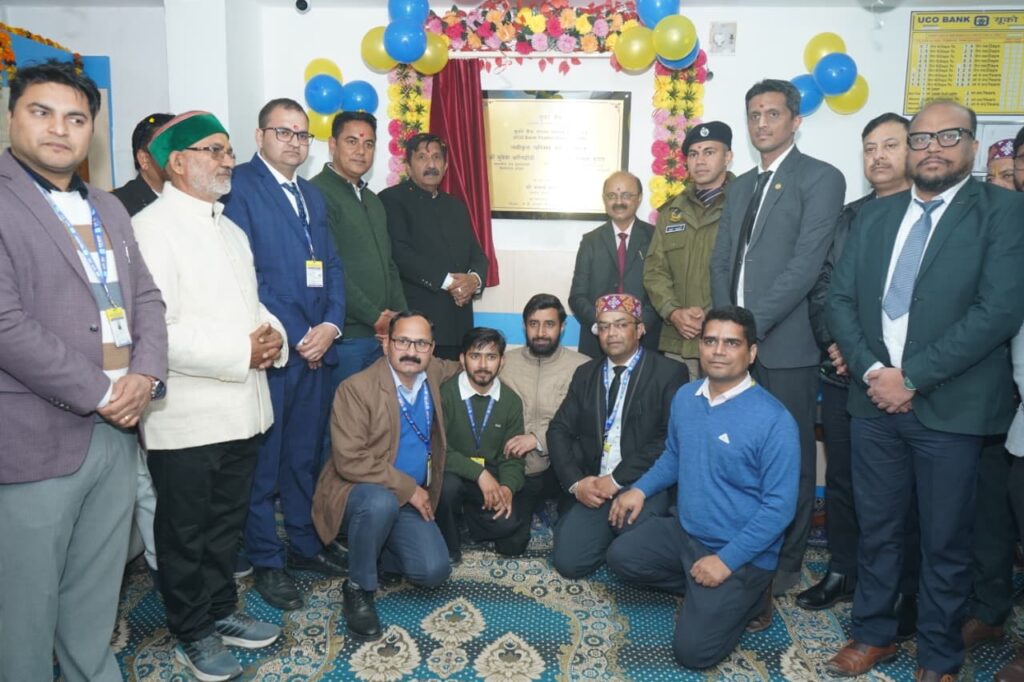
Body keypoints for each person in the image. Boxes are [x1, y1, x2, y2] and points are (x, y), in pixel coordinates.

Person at [825, 100, 1024, 681]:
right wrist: (872, 371)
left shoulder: (1003, 212)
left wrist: (910, 378)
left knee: (945, 540)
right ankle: (873, 633)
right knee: (878, 529)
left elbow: (997, 311)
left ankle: (939, 654)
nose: (932, 147)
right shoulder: (877, 216)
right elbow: (840, 299)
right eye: (921, 138)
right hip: (872, 402)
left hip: (951, 408)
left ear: (973, 145)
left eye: (948, 136)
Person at [0, 60, 168, 682]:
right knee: (25, 604)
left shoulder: (108, 207)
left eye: (75, 119)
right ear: (11, 117)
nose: (58, 129)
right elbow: (6, 324)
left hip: (118, 430)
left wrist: (145, 376)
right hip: (35, 433)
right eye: (41, 113)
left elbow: (146, 298)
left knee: (96, 589)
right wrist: (102, 391)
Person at [134, 110, 288, 680]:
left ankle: (222, 609)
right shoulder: (151, 229)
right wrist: (240, 351)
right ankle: (192, 629)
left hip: (242, 411)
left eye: (228, 150)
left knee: (226, 524)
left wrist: (275, 336)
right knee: (184, 531)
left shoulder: (230, 229)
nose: (228, 161)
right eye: (214, 150)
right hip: (187, 416)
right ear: (178, 162)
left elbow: (251, 306)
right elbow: (157, 332)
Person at [709, 79, 845, 594]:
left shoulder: (821, 178)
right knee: (735, 453)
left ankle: (784, 567)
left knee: (790, 460)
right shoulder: (741, 184)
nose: (761, 123)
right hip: (735, 347)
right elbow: (722, 260)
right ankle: (738, 549)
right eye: (754, 114)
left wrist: (748, 330)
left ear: (796, 120)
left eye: (772, 113)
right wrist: (725, 333)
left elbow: (805, 267)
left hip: (785, 348)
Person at [607, 306, 798, 669]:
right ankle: (704, 590)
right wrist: (640, 489)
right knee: (621, 556)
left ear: (751, 353)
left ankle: (751, 595)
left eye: (731, 343)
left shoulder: (775, 421)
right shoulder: (686, 397)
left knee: (693, 653)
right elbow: (675, 455)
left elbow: (780, 508)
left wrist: (726, 562)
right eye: (710, 341)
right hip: (687, 532)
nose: (718, 351)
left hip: (740, 550)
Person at [222, 97, 347, 611]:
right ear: (260, 136)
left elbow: (331, 265)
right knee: (265, 464)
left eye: (302, 134)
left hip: (318, 349)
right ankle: (266, 560)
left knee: (303, 456)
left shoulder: (311, 195)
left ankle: (303, 543)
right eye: (284, 132)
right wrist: (300, 334)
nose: (295, 142)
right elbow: (246, 275)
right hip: (275, 351)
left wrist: (331, 327)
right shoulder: (239, 188)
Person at [798, 114, 919, 634]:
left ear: (913, 150)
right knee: (845, 479)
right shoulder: (848, 217)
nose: (879, 156)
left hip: (910, 381)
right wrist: (840, 345)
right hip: (844, 375)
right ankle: (843, 569)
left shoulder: (933, 215)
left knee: (906, 490)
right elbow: (824, 286)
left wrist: (880, 360)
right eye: (870, 148)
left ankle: (907, 588)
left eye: (891, 145)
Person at [311, 311, 460, 642]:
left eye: (421, 344)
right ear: (386, 344)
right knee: (380, 504)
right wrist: (410, 489)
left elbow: (464, 367)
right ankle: (358, 588)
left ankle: (384, 552)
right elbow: (349, 460)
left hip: (406, 499)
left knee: (433, 572)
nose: (412, 351)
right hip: (360, 492)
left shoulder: (433, 373)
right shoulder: (356, 389)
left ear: (432, 349)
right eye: (403, 341)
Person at [547, 293, 688, 578]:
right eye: (604, 326)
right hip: (596, 485)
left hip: (642, 484)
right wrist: (576, 484)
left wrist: (617, 480)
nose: (611, 333)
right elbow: (558, 429)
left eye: (621, 324)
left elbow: (667, 439)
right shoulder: (586, 373)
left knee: (629, 548)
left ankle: (621, 540)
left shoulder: (669, 373)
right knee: (568, 563)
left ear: (640, 329)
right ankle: (601, 534)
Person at [110, 110, 175, 586]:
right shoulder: (119, 207)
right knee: (142, 473)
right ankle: (157, 562)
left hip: (177, 355)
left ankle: (168, 556)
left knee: (167, 472)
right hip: (132, 357)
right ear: (143, 158)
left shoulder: (197, 206)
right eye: (166, 148)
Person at [311, 111, 406, 385]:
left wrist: (400, 317)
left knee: (380, 411)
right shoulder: (316, 194)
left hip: (383, 336)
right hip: (346, 338)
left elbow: (389, 264)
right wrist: (374, 317)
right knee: (345, 411)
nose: (361, 151)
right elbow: (329, 268)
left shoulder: (373, 200)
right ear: (332, 144)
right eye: (351, 141)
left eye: (368, 144)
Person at [379, 134, 488, 360]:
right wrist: (451, 283)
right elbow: (400, 254)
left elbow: (477, 254)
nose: (431, 164)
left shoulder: (456, 206)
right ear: (408, 166)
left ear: (446, 166)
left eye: (437, 157)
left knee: (452, 383)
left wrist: (474, 281)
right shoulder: (392, 200)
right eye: (422, 157)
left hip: (459, 325)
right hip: (417, 329)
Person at [644, 121, 735, 379]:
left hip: (727, 337)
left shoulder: (744, 204)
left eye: (709, 152)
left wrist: (714, 314)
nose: (700, 160)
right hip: (679, 339)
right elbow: (654, 271)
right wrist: (673, 312)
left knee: (726, 402)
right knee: (681, 402)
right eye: (693, 154)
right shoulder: (671, 211)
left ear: (728, 156)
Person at [437, 327, 528, 563]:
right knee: (447, 488)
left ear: (502, 361)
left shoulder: (511, 401)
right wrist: (479, 474)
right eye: (475, 356)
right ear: (462, 359)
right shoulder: (445, 394)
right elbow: (439, 450)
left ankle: (465, 519)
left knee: (513, 539)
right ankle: (450, 543)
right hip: (454, 473)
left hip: (490, 478)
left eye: (491, 357)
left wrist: (507, 488)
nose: (483, 365)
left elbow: (513, 456)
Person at [500, 294, 588, 526]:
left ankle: (566, 506)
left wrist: (538, 439)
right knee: (509, 535)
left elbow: (584, 422)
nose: (540, 332)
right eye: (533, 324)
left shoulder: (583, 367)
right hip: (516, 466)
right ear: (524, 326)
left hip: (561, 467)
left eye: (549, 324)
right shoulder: (503, 363)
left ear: (562, 327)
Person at [570, 171, 661, 358]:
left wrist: (639, 325)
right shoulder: (590, 241)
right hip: (597, 342)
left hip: (644, 338)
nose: (619, 201)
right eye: (612, 196)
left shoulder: (656, 238)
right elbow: (577, 296)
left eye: (626, 195)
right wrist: (602, 325)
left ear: (639, 198)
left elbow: (662, 290)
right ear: (604, 199)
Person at [112, 112, 175, 217]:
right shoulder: (116, 206)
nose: (177, 157)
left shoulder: (194, 199)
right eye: (168, 149)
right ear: (144, 159)